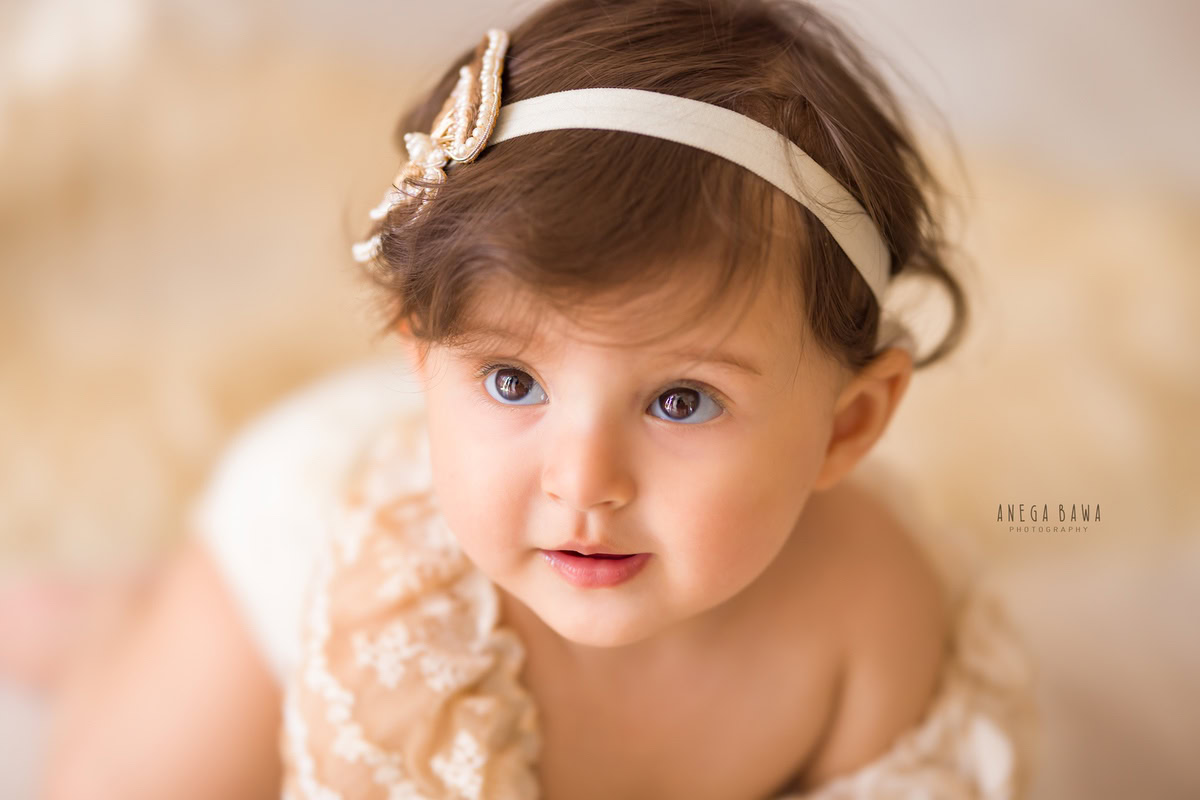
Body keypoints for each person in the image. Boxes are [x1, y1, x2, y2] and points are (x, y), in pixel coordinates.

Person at [36, 0, 1037, 798]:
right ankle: (112, 626)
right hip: (305, 552)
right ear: (423, 364)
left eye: (682, 400)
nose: (584, 479)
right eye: (513, 379)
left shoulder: (872, 617)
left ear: (848, 423)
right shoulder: (392, 620)